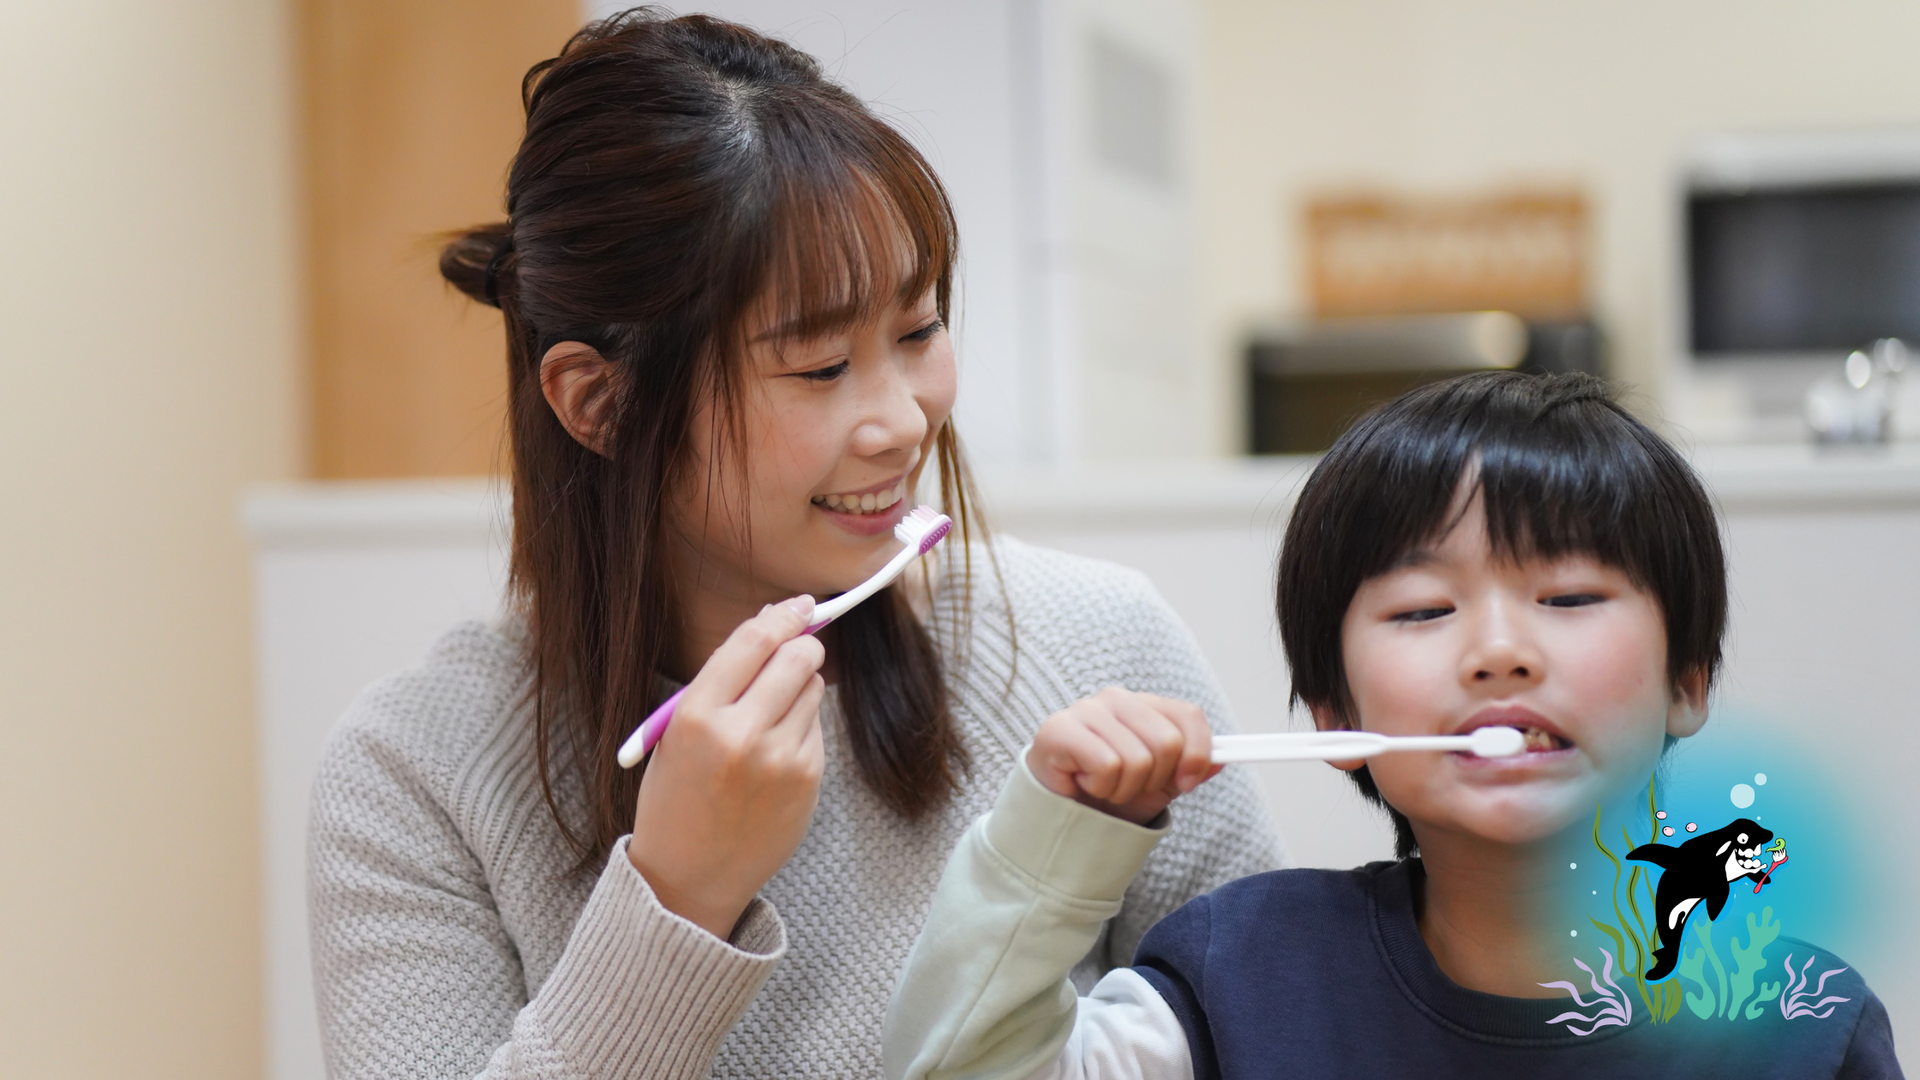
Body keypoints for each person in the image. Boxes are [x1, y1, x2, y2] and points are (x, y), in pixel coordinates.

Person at [305, 9, 1282, 1080]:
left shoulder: (1096, 648)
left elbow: (1279, 1038)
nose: (904, 421)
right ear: (600, 401)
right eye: (819, 368)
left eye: (918, 333)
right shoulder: (410, 777)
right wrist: (677, 897)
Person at [885, 372, 1903, 1079]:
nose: (1498, 650)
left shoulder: (1804, 1024)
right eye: (1423, 611)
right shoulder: (1238, 978)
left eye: (1571, 597)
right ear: (1336, 712)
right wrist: (1054, 841)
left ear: (1688, 680)